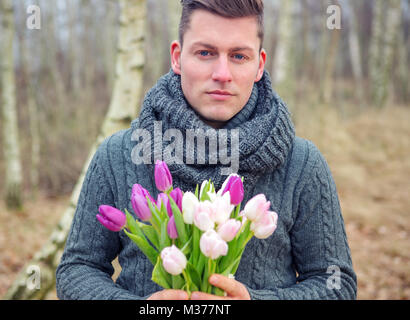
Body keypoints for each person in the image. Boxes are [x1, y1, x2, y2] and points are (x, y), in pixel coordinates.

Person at [56, 0, 357, 300]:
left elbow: (336, 284)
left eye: (239, 56)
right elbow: (76, 270)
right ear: (177, 57)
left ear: (259, 65)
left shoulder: (302, 163)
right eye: (205, 53)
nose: (222, 73)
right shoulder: (119, 154)